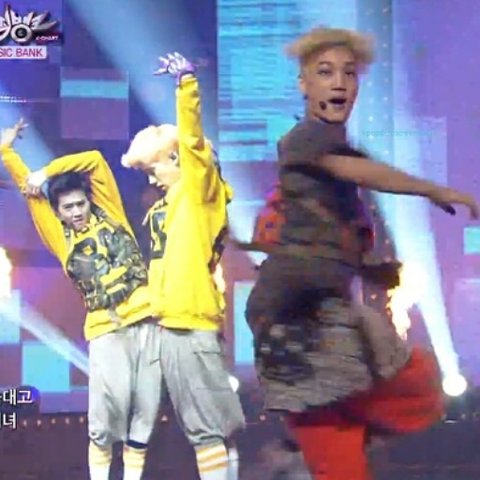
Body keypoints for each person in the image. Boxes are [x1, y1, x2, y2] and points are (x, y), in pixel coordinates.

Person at [245, 27, 479, 480]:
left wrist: (373, 271)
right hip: (296, 319)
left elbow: (331, 235)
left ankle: (307, 451)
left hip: (324, 311)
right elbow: (360, 170)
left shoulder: (334, 164)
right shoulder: (304, 140)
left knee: (417, 389)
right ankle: (301, 451)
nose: (338, 83)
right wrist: (431, 188)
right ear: (304, 84)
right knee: (398, 394)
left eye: (348, 73)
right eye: (325, 72)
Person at [0, 120, 161, 480]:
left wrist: (47, 172)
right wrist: (7, 152)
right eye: (68, 208)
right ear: (57, 213)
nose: (76, 211)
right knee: (105, 419)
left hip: (147, 320)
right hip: (105, 331)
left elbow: (94, 160)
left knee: (145, 413)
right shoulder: (60, 238)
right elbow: (30, 191)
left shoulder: (112, 212)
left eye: (80, 203)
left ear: (90, 200)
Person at [121, 52, 245, 480]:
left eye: (152, 168)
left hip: (192, 324)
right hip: (172, 323)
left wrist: (186, 84)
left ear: (176, 160)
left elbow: (193, 145)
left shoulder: (199, 194)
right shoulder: (167, 208)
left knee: (206, 428)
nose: (150, 178)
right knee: (206, 428)